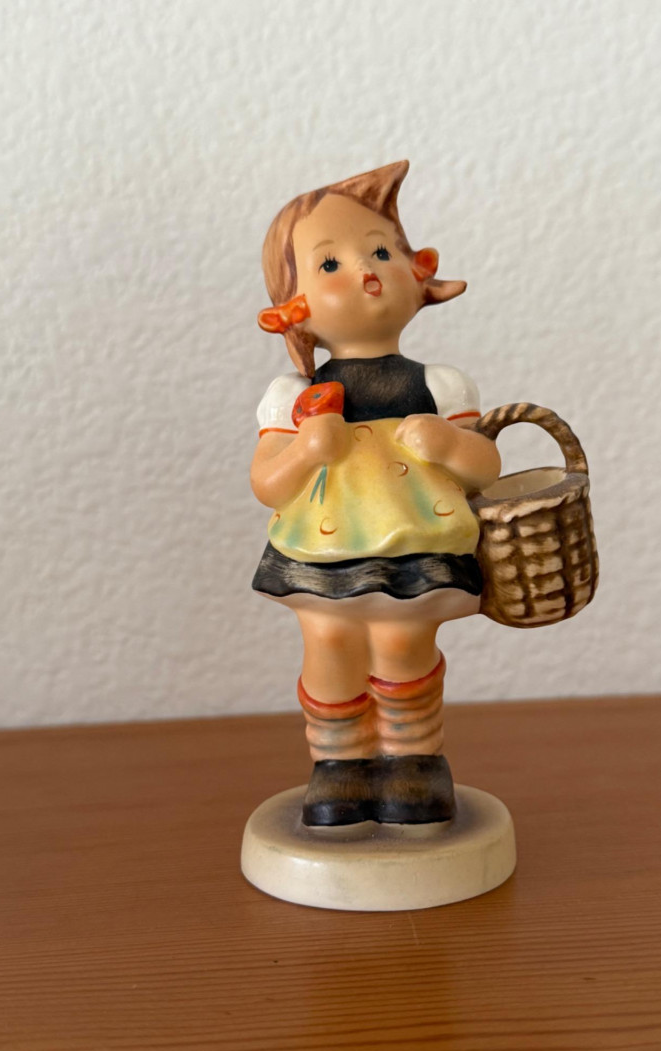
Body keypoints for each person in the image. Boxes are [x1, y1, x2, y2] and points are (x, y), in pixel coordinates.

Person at [250, 161, 501, 826]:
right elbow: (267, 483)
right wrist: (306, 448)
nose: (365, 269)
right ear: (294, 309)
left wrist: (449, 446)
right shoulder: (293, 396)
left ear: (419, 275)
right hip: (322, 550)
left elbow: (485, 465)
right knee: (328, 644)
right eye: (330, 263)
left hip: (416, 544)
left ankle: (413, 760)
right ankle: (339, 763)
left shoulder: (440, 385)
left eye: (382, 251)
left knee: (402, 644)